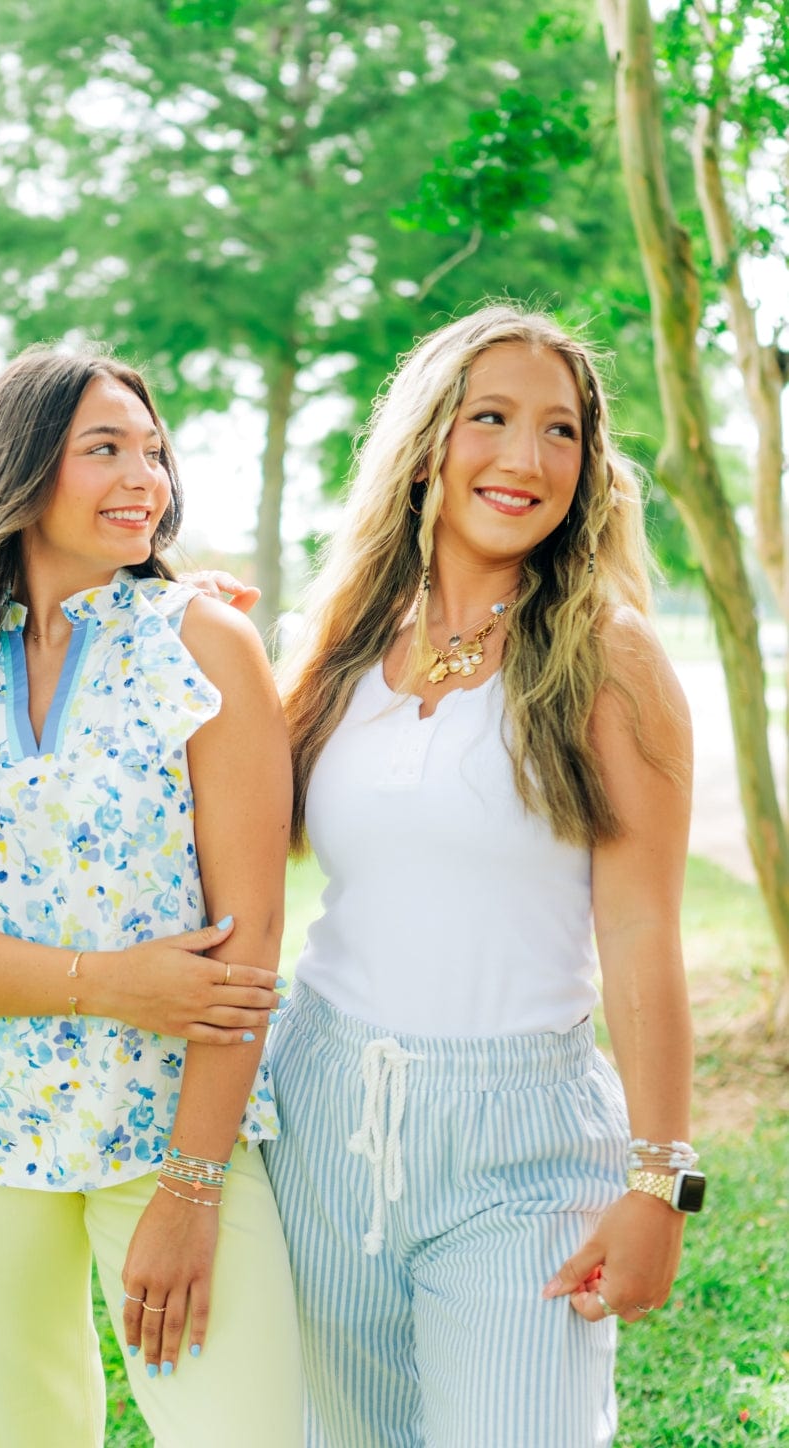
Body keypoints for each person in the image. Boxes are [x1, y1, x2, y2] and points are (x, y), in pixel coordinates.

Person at [0, 346, 304, 1447]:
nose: (143, 475)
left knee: (241, 1430)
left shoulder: (205, 645)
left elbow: (248, 951)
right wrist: (106, 983)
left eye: (152, 450)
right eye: (104, 448)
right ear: (20, 467)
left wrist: (192, 1190)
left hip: (171, 1132)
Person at [261, 304, 702, 1448]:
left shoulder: (610, 657)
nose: (525, 457)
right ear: (425, 442)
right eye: (491, 417)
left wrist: (657, 1178)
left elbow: (643, 930)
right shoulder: (344, 639)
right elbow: (237, 841)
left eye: (560, 431)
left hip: (526, 1142)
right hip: (317, 1115)